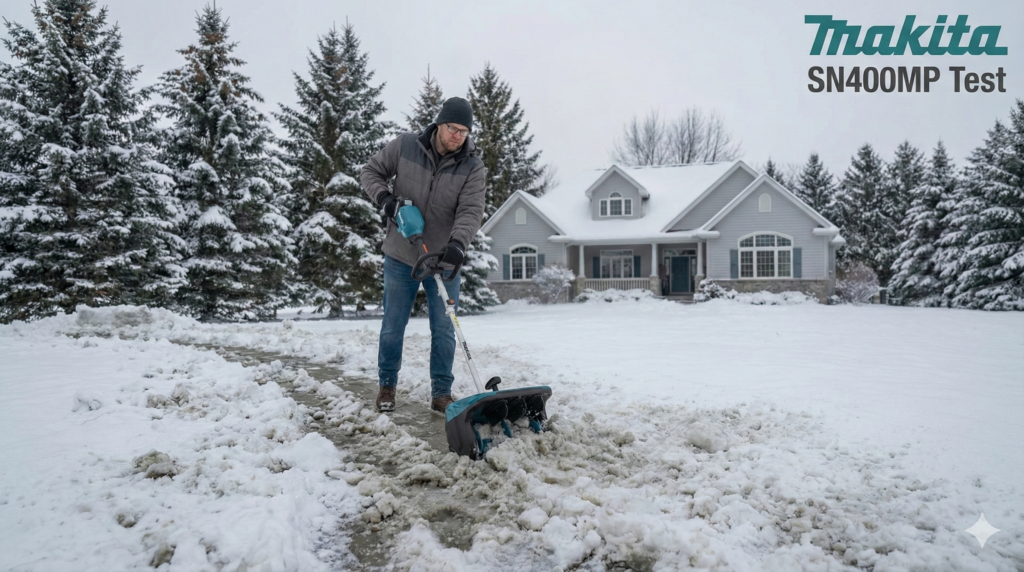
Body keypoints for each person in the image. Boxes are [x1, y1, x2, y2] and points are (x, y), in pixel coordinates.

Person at [361, 97, 487, 414]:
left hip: (443, 259)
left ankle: (441, 394)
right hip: (402, 254)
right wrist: (386, 200)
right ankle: (387, 386)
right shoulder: (405, 146)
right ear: (439, 124)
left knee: (444, 328)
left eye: (464, 131)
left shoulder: (472, 166)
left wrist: (458, 244)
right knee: (393, 325)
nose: (459, 136)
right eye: (453, 128)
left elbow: (471, 210)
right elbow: (371, 172)